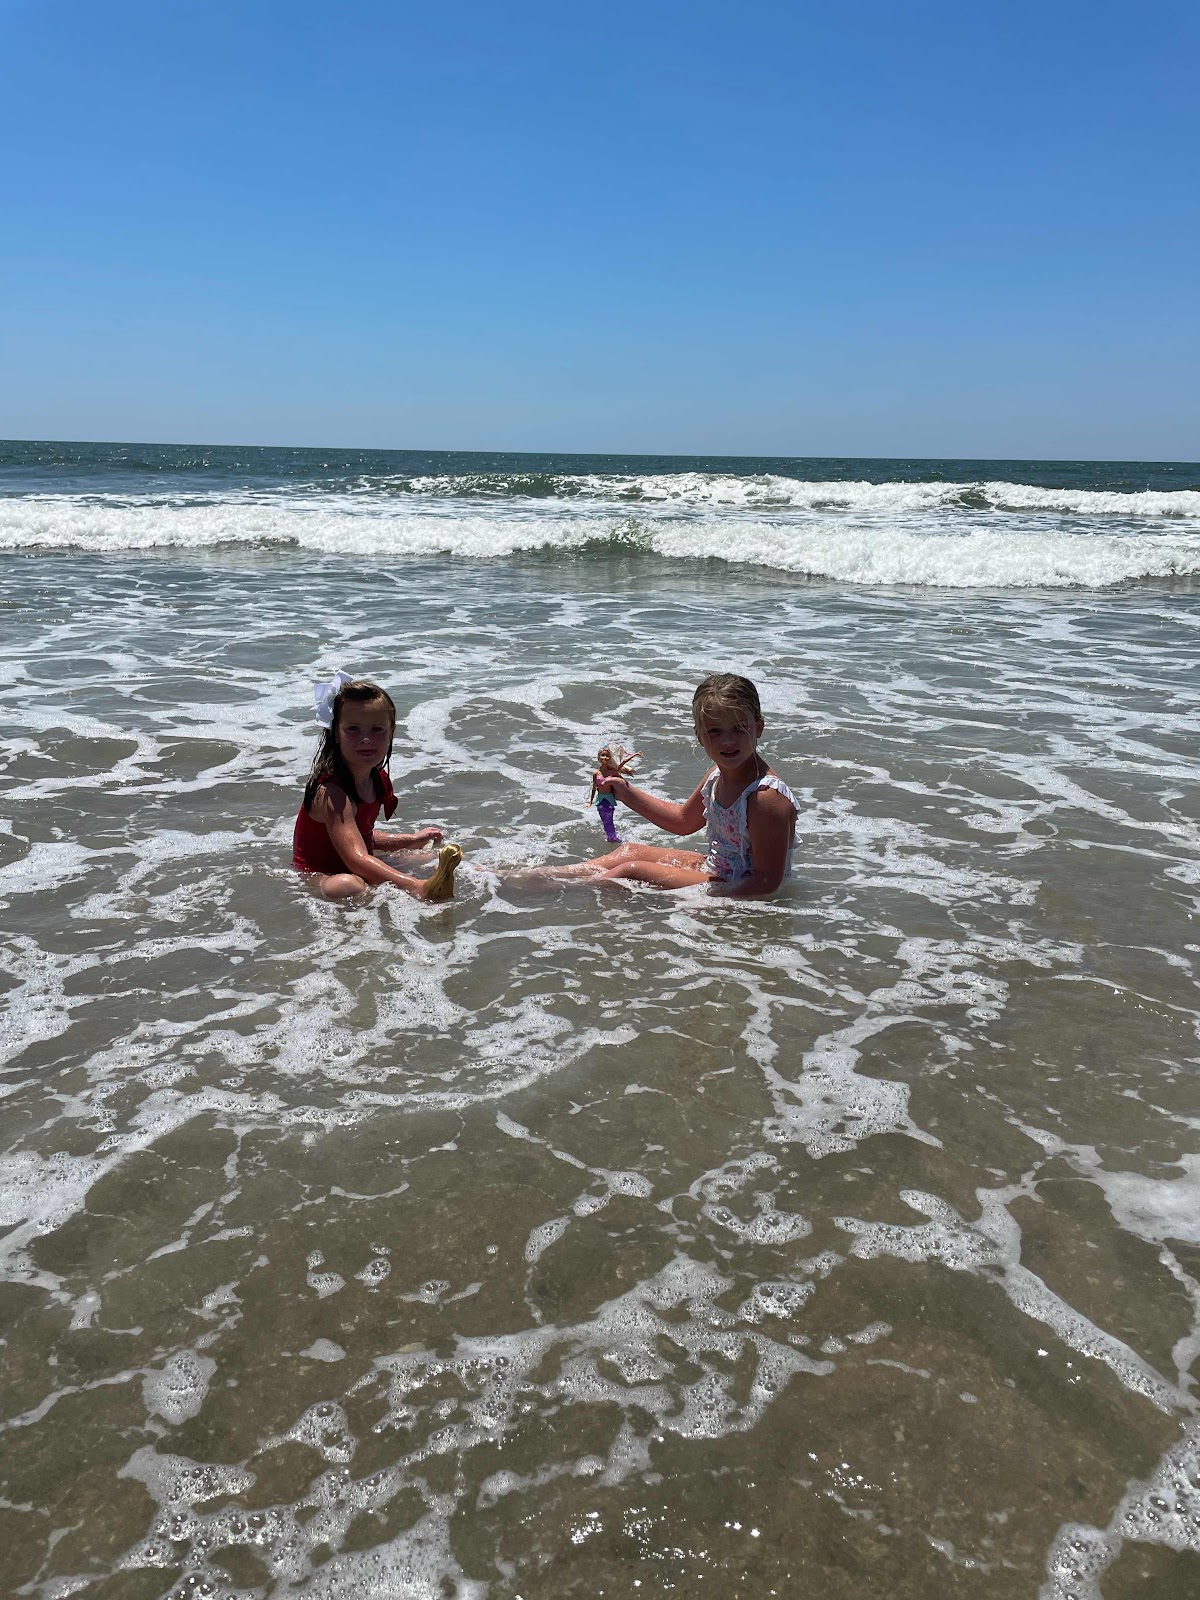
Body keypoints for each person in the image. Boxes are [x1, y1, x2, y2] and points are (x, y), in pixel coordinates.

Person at [543, 673, 796, 896]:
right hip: (717, 869)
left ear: (758, 728)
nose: (727, 741)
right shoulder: (717, 776)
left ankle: (561, 895)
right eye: (715, 731)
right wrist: (625, 792)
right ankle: (542, 877)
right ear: (699, 736)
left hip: (733, 884)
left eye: (739, 728)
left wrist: (704, 902)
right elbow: (683, 822)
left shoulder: (765, 797)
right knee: (629, 853)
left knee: (631, 871)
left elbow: (766, 883)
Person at [292, 674, 461, 901]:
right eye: (353, 729)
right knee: (347, 885)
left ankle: (505, 878)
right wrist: (415, 886)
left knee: (434, 860)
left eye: (377, 729)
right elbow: (356, 858)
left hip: (357, 865)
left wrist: (410, 840)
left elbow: (362, 836)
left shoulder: (376, 779)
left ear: (391, 732)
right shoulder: (332, 794)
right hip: (321, 875)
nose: (366, 739)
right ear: (335, 734)